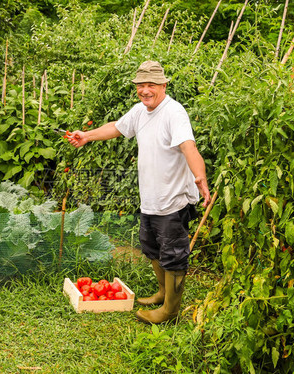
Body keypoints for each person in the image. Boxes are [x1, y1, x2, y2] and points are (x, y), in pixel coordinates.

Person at [66, 60, 211, 324]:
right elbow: (117, 127)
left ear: (163, 85)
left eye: (151, 85)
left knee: (174, 254)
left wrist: (199, 176)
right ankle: (162, 294)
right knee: (152, 247)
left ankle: (169, 311)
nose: (145, 90)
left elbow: (189, 146)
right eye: (140, 85)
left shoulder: (174, 113)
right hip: (151, 199)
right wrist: (86, 136)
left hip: (173, 199)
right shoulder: (140, 111)